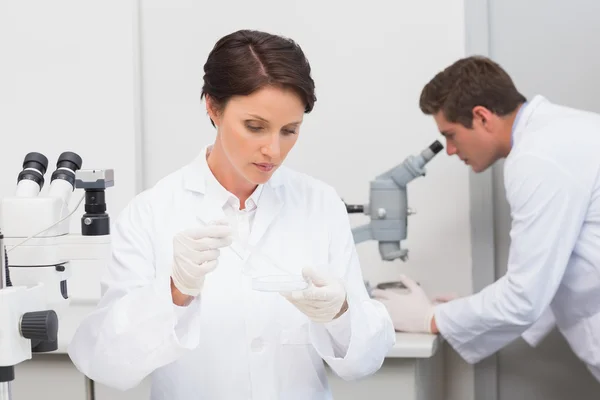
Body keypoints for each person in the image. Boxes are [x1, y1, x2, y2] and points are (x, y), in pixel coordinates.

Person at [68, 29, 395, 399]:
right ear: (212, 107)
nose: (273, 149)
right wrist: (174, 292)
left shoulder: (320, 204)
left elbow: (363, 361)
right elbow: (105, 364)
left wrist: (341, 313)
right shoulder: (152, 212)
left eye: (290, 130)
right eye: (255, 127)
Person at [372, 55, 600, 381]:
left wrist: (431, 318)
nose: (450, 150)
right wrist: (468, 310)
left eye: (450, 135)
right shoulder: (563, 131)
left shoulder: (537, 158)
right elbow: (555, 276)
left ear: (481, 117)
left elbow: (525, 299)